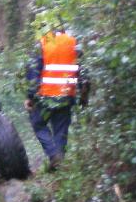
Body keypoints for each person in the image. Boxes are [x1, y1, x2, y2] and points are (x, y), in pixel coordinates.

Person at [24, 24, 90, 170]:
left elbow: (33, 71)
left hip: (45, 97)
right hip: (66, 95)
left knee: (38, 124)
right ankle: (59, 166)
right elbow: (83, 72)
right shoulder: (73, 42)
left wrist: (30, 96)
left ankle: (54, 155)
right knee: (61, 130)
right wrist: (84, 95)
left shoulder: (44, 42)